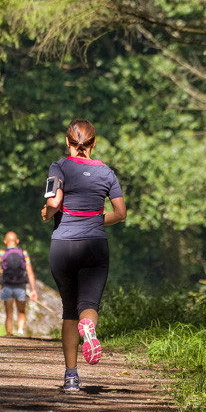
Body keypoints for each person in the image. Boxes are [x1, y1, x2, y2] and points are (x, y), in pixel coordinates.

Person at [41, 118, 126, 394]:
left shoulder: (60, 166)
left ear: (68, 142)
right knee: (88, 304)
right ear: (94, 142)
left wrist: (47, 213)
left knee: (68, 310)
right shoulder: (107, 173)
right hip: (94, 245)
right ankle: (89, 327)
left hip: (63, 245)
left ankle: (71, 377)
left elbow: (54, 202)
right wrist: (97, 219)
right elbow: (121, 213)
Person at [0, 231, 38, 336]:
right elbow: (29, 272)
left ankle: (9, 334)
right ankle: (20, 331)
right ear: (17, 241)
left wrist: (3, 271)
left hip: (7, 285)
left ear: (5, 241)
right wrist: (33, 289)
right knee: (21, 311)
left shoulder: (1, 252)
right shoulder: (23, 253)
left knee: (9, 313)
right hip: (20, 285)